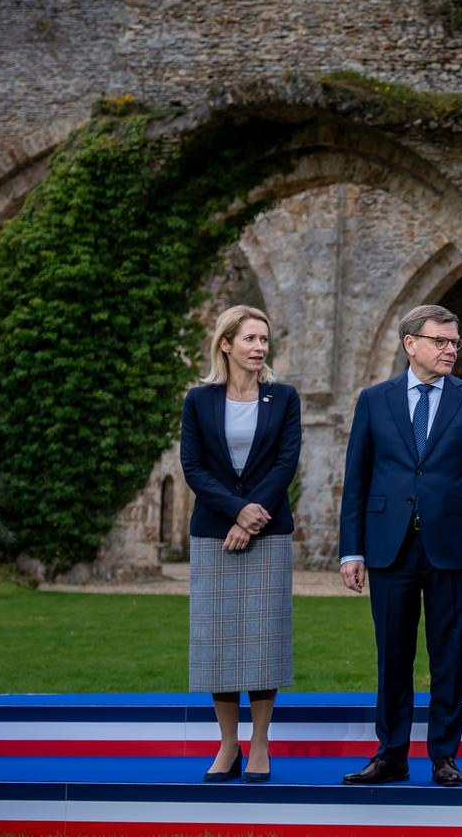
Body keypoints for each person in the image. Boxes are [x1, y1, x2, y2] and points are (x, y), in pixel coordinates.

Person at [337, 304, 462, 787]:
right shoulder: (373, 399)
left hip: (452, 546)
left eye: (454, 343)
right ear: (411, 343)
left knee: (449, 654)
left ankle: (444, 755)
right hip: (388, 546)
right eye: (440, 341)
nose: (450, 350)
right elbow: (357, 480)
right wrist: (352, 550)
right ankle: (390, 755)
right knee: (393, 655)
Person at [179, 305, 301, 783]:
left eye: (264, 339)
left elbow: (285, 463)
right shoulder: (199, 400)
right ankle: (228, 744)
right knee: (220, 643)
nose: (259, 348)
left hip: (268, 531)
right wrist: (234, 510)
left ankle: (260, 742)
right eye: (250, 339)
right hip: (214, 533)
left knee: (262, 639)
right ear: (225, 344)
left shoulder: (284, 398)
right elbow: (194, 467)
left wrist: (251, 519)